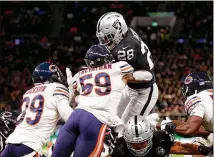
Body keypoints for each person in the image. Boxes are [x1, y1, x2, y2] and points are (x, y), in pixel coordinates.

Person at [52, 44, 136, 157]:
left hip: (75, 116)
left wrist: (73, 92)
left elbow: (74, 96)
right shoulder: (119, 67)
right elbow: (134, 82)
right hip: (96, 119)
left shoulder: (79, 74)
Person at [96, 12, 158, 123]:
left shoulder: (125, 49)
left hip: (144, 91)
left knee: (126, 128)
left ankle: (152, 124)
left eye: (108, 37)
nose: (105, 41)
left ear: (119, 30)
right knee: (112, 121)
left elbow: (131, 76)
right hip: (131, 87)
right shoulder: (125, 33)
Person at [1, 62, 73, 157]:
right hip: (29, 146)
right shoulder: (56, 88)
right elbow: (70, 117)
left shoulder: (28, 92)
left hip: (11, 144)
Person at [107, 115, 213, 157]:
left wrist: (202, 149)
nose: (139, 147)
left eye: (142, 143)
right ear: (126, 140)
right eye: (134, 144)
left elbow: (183, 147)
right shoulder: (119, 147)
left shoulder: (159, 139)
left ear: (150, 138)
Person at [156, 72, 213, 139]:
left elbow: (189, 130)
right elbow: (206, 130)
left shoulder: (198, 99)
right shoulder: (208, 96)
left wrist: (163, 126)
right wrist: (169, 122)